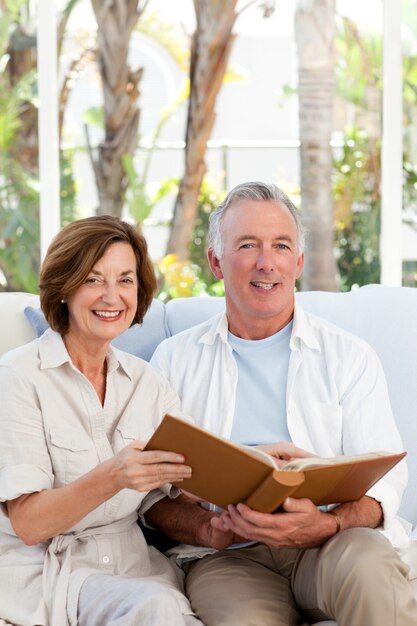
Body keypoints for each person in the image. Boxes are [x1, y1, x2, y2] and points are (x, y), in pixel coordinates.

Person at [148, 182, 417, 626]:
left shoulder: (349, 356)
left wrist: (327, 525)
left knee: (371, 571)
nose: (265, 263)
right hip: (228, 559)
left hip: (332, 543)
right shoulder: (174, 360)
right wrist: (205, 529)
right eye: (247, 244)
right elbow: (149, 495)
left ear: (299, 262)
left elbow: (386, 483)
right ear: (216, 261)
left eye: (280, 245)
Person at [0, 216, 205, 626]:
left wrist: (251, 466)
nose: (112, 296)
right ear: (64, 288)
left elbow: (176, 493)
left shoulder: (148, 384)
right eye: (94, 280)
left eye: (125, 280)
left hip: (136, 570)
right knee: (157, 609)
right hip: (52, 574)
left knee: (166, 608)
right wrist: (114, 474)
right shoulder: (18, 377)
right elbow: (28, 523)